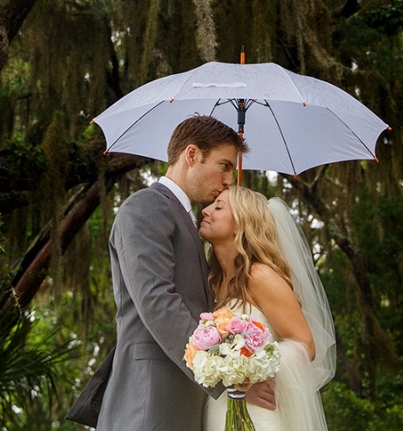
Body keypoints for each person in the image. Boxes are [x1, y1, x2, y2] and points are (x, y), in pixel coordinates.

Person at [96, 115, 264, 431]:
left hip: (183, 403)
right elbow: (157, 301)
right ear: (192, 155)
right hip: (150, 400)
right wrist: (227, 374)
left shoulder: (188, 221)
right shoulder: (146, 206)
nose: (229, 180)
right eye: (224, 166)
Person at [199, 186, 335, 431]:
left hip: (258, 413)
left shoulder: (259, 276)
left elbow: (305, 344)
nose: (205, 211)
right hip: (219, 408)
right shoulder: (213, 281)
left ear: (240, 224)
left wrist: (248, 372)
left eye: (218, 207)